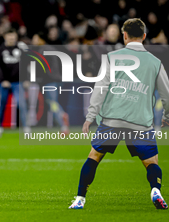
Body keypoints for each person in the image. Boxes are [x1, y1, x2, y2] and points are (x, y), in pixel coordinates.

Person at [69, 18, 169, 210]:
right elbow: (166, 94)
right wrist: (167, 116)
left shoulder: (111, 57)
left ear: (124, 36)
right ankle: (156, 190)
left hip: (112, 120)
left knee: (94, 156)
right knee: (151, 162)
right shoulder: (155, 62)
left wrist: (90, 116)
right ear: (144, 36)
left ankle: (80, 199)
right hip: (140, 122)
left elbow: (100, 89)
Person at [0, 28, 30, 137]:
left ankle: (26, 127)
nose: (12, 38)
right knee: (2, 104)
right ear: (5, 37)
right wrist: (3, 80)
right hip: (5, 82)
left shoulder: (21, 49)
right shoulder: (0, 50)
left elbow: (26, 65)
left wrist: (26, 79)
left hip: (17, 81)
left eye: (13, 36)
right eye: (10, 36)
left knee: (21, 104)